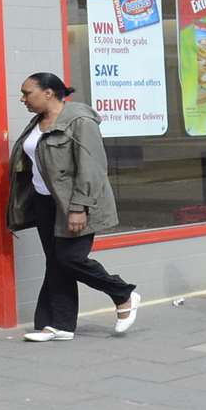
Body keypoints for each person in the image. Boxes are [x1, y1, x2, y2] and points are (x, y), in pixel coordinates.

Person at [10, 72, 139, 342]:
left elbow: (92, 167)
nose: (22, 99)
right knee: (56, 262)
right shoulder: (37, 122)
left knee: (70, 259)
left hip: (76, 202)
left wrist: (78, 207)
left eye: (27, 93)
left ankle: (122, 293)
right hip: (45, 201)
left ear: (49, 93)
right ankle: (58, 325)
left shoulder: (80, 120)